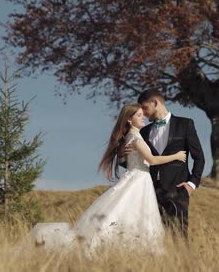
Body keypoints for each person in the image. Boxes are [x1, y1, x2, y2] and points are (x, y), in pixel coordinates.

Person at [27, 104, 187, 257]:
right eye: (139, 115)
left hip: (139, 179)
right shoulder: (136, 138)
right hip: (138, 180)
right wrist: (177, 156)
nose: (143, 117)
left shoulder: (132, 136)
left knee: (131, 214)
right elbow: (151, 160)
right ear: (129, 120)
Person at [119, 89, 205, 240]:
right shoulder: (142, 132)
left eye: (145, 108)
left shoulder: (185, 124)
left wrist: (191, 184)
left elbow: (199, 158)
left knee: (179, 237)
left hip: (178, 190)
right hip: (149, 191)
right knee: (151, 238)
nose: (143, 114)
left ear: (155, 103)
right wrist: (123, 156)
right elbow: (137, 163)